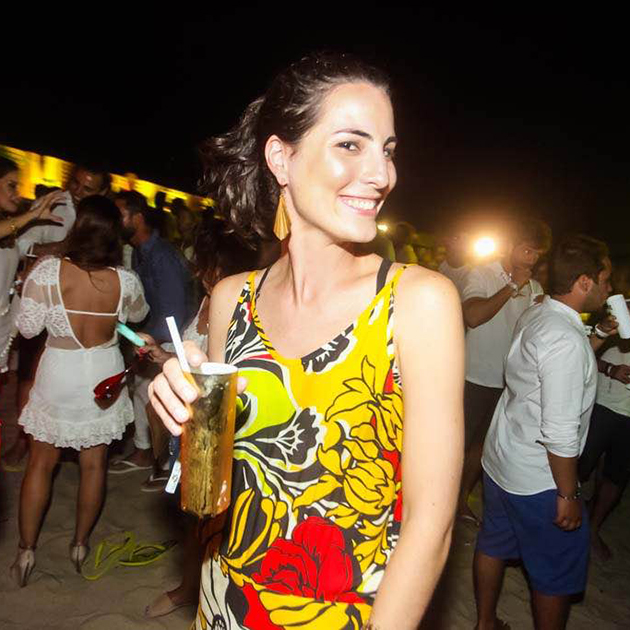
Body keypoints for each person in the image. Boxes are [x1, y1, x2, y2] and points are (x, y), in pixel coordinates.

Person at [149, 52, 464, 630]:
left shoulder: (417, 302)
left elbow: (432, 525)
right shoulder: (232, 299)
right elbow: (212, 476)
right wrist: (175, 407)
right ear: (281, 158)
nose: (382, 174)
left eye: (388, 150)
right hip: (224, 599)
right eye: (350, 144)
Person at [474, 234, 613, 630]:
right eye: (605, 280)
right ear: (584, 281)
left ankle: (485, 623)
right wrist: (568, 494)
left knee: (493, 542)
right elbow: (560, 430)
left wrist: (601, 334)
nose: (609, 289)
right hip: (539, 478)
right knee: (554, 574)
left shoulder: (540, 311)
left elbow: (554, 365)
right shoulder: (564, 338)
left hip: (503, 458)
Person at [10, 195, 149, 587]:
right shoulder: (125, 280)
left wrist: (26, 286)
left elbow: (28, 329)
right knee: (94, 465)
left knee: (40, 464)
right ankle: (80, 544)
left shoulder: (48, 271)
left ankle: (26, 550)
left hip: (60, 373)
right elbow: (138, 314)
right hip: (104, 374)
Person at [139, 215, 258, 618]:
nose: (197, 272)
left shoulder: (240, 304)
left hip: (216, 432)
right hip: (187, 421)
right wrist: (162, 355)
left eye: (205, 265)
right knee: (189, 513)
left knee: (207, 516)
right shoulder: (209, 300)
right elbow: (192, 360)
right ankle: (193, 584)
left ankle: (192, 587)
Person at [457, 219, 549, 524]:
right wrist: (511, 287)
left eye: (537, 254)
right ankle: (436, 499)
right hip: (471, 376)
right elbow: (473, 316)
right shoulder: (482, 273)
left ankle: (461, 500)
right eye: (527, 250)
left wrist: (542, 310)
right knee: (456, 443)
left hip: (507, 383)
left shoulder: (535, 287)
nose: (532, 259)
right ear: (510, 246)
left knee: (481, 447)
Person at [108, 190, 193, 474]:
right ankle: (148, 457)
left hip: (169, 341)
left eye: (119, 214)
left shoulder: (161, 256)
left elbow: (173, 312)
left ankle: (162, 465)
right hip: (151, 337)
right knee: (144, 397)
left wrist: (149, 341)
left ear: (138, 218)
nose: (114, 221)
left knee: (156, 400)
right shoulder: (140, 252)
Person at [578, 264, 630, 561]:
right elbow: (582, 355)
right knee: (580, 467)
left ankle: (592, 529)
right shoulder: (618, 315)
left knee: (615, 478)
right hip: (603, 404)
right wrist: (611, 369)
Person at [0, 157, 65, 374]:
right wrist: (32, 215)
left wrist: (18, 281)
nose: (17, 193)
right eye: (11, 185)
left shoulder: (8, 229)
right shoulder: (9, 226)